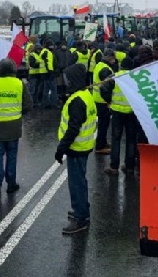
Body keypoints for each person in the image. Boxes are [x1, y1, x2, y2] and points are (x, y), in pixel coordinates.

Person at [55, 63, 97, 234]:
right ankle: (82, 211)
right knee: (81, 180)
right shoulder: (85, 95)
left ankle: (81, 219)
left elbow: (73, 128)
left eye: (68, 79)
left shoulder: (77, 101)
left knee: (76, 183)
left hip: (76, 147)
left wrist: (61, 148)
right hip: (83, 146)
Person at [0, 58, 33, 196]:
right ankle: (11, 184)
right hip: (14, 126)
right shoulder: (20, 84)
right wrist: (17, 112)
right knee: (12, 156)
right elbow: (28, 105)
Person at [103, 56, 139, 176]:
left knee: (116, 139)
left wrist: (108, 100)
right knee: (130, 139)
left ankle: (114, 167)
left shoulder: (115, 77)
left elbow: (103, 88)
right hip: (131, 112)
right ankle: (129, 167)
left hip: (117, 111)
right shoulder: (135, 78)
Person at [92, 50, 117, 154]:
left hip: (98, 98)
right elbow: (106, 88)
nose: (114, 61)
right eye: (113, 58)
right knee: (103, 124)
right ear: (108, 58)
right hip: (103, 100)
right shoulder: (105, 70)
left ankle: (103, 142)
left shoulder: (100, 65)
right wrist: (109, 101)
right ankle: (100, 146)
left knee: (104, 123)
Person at [39, 38, 58, 108]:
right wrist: (51, 72)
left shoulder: (43, 51)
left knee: (46, 89)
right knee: (53, 89)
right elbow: (48, 63)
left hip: (44, 73)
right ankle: (54, 104)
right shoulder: (47, 52)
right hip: (48, 73)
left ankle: (45, 103)